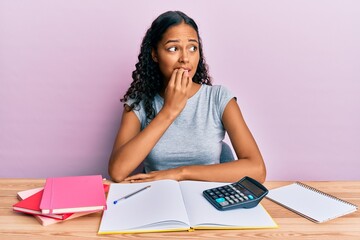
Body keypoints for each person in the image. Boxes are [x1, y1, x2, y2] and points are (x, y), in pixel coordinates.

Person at [108, 11, 266, 183]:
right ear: (155, 54)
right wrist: (169, 110)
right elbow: (117, 172)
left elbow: (257, 170)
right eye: (173, 49)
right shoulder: (138, 103)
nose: (185, 58)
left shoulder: (219, 98)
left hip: (208, 199)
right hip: (158, 198)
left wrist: (180, 173)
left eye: (192, 48)